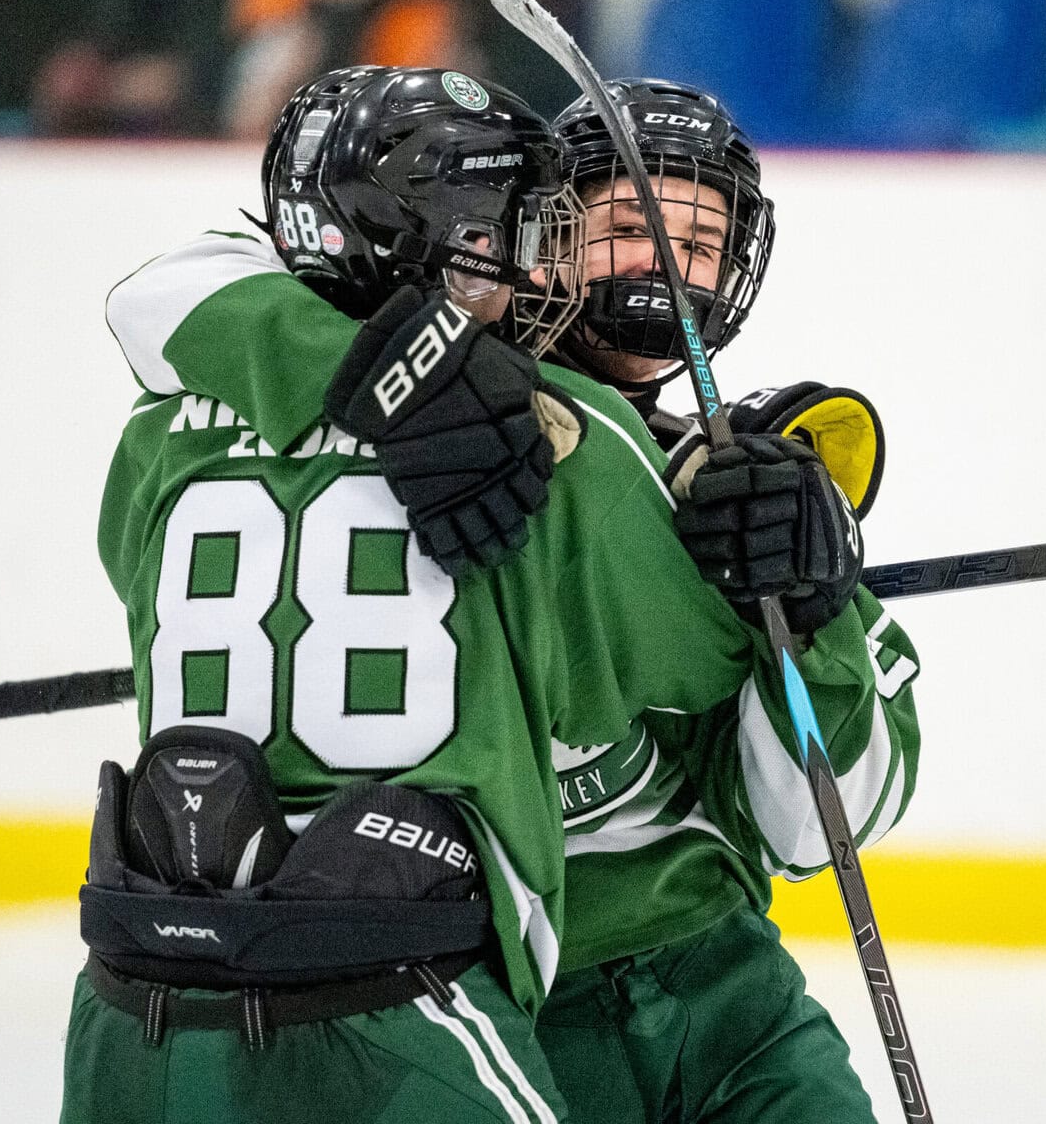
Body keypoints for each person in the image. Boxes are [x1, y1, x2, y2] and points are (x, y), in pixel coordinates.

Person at [70, 65, 868, 1124]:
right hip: (421, 979)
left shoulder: (160, 427)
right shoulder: (571, 442)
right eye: (543, 232)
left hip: (144, 972)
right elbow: (692, 660)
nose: (651, 267)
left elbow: (139, 451)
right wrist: (797, 601)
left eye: (699, 244)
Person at [532, 78, 919, 1124]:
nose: (666, 262)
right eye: (628, 225)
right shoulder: (445, 440)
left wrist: (814, 599)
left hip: (724, 991)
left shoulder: (740, 483)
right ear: (542, 236)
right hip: (502, 999)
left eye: (699, 245)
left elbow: (815, 833)